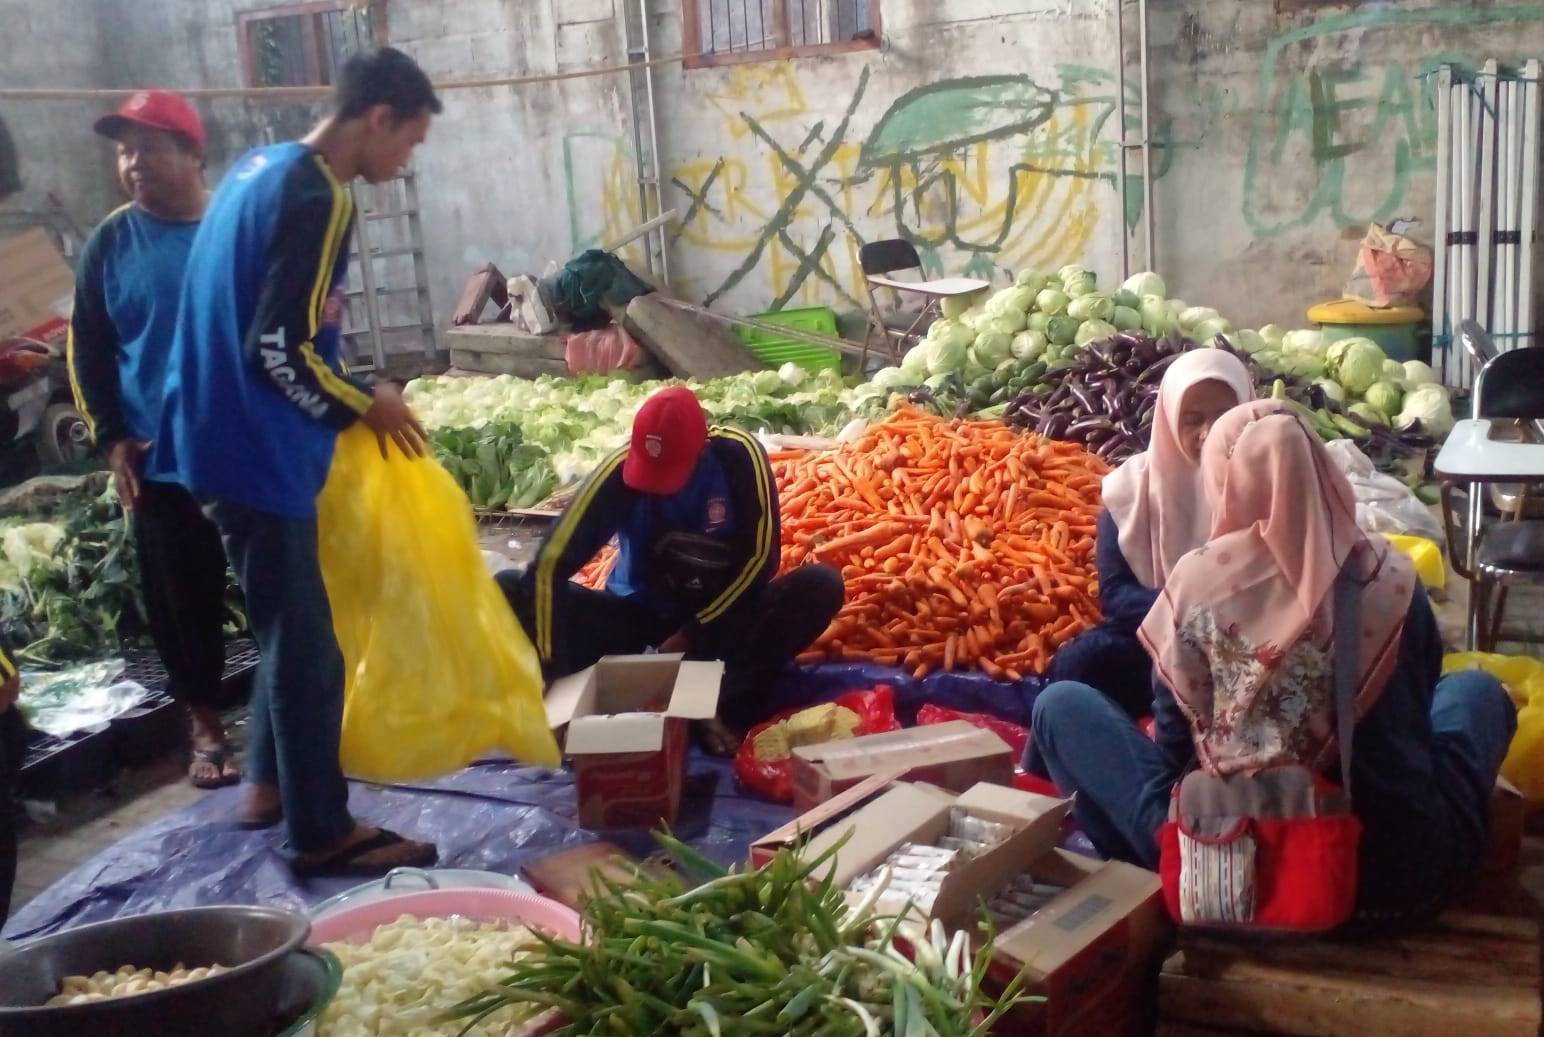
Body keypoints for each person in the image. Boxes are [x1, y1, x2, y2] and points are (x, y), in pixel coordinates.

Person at [1029, 400, 1516, 925]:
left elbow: (1175, 752)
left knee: (1062, 705)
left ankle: (1152, 873)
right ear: (1323, 471)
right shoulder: (1390, 578)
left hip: (1225, 868)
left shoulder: (1196, 585)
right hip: (1397, 878)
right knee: (1476, 695)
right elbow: (1413, 725)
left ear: (1226, 480)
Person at [151, 47, 441, 877]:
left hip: (205, 430)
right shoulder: (320, 192)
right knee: (310, 646)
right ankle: (321, 829)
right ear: (376, 118)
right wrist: (364, 399)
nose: (404, 162)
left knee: (288, 620)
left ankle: (264, 784)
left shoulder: (256, 167)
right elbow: (278, 346)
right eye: (408, 142)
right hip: (250, 447)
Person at [498, 385, 845, 750]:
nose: (657, 486)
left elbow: (761, 559)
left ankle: (718, 704)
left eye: (670, 474)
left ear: (702, 447)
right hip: (636, 625)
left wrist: (691, 634)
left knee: (820, 586)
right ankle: (613, 697)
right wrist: (553, 673)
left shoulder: (738, 457)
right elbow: (548, 565)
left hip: (716, 626)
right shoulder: (618, 473)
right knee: (509, 588)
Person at [66, 90, 239, 790]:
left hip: (245, 452)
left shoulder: (236, 227)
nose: (134, 163)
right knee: (179, 598)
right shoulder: (110, 241)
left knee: (285, 591)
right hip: (159, 458)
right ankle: (204, 723)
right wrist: (111, 440)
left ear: (194, 154)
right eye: (123, 149)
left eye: (151, 146)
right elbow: (91, 348)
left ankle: (308, 720)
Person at [1045, 349, 1255, 717]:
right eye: (1192, 420)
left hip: (1252, 639)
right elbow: (1117, 594)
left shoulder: (1268, 477)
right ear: (1169, 420)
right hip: (1158, 637)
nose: (1208, 432)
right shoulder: (1132, 488)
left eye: (1223, 416)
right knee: (1086, 660)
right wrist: (1192, 614)